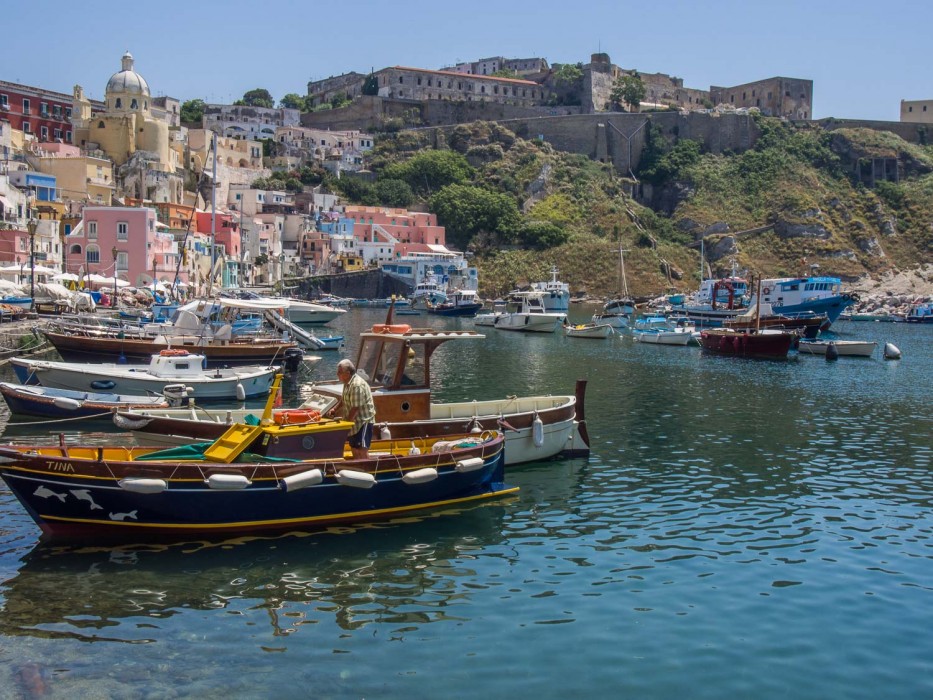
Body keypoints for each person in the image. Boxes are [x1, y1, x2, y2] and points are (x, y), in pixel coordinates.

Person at [336, 359, 376, 459]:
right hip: (353, 423)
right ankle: (358, 470)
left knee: (362, 449)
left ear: (348, 373)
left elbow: (355, 408)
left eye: (340, 372)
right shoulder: (347, 382)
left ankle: (367, 470)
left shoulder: (356, 385)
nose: (337, 374)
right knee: (354, 448)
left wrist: (347, 424)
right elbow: (344, 399)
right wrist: (334, 409)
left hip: (363, 421)